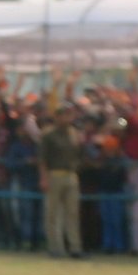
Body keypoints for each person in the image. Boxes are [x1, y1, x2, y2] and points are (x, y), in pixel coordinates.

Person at [37, 110, 83, 258]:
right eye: (64, 115)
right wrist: (43, 178)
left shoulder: (73, 133)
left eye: (69, 115)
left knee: (72, 213)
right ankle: (55, 247)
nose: (67, 118)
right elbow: (42, 158)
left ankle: (75, 247)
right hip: (54, 174)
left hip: (70, 174)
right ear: (57, 117)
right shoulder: (49, 134)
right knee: (52, 213)